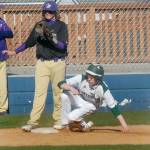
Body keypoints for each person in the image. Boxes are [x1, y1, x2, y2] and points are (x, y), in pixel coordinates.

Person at [4, 0, 68, 131]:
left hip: (58, 63)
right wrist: (14, 52)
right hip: (42, 63)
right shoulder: (39, 26)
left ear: (55, 12)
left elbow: (62, 46)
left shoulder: (61, 26)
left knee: (58, 92)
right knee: (39, 93)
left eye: (50, 11)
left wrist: (50, 37)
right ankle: (33, 122)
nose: (48, 13)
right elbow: (28, 43)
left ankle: (58, 120)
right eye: (45, 11)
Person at [57, 64, 129, 132]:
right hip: (79, 99)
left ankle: (82, 124)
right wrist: (70, 88)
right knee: (64, 95)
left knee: (70, 118)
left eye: (91, 77)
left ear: (98, 78)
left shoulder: (103, 89)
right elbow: (60, 83)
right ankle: (65, 124)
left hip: (91, 106)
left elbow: (114, 108)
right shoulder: (82, 78)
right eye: (88, 75)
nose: (88, 78)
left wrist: (124, 126)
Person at [0, 7, 13, 115]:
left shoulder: (1, 22)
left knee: (2, 85)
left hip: (1, 58)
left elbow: (10, 34)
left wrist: (1, 29)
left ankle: (2, 109)